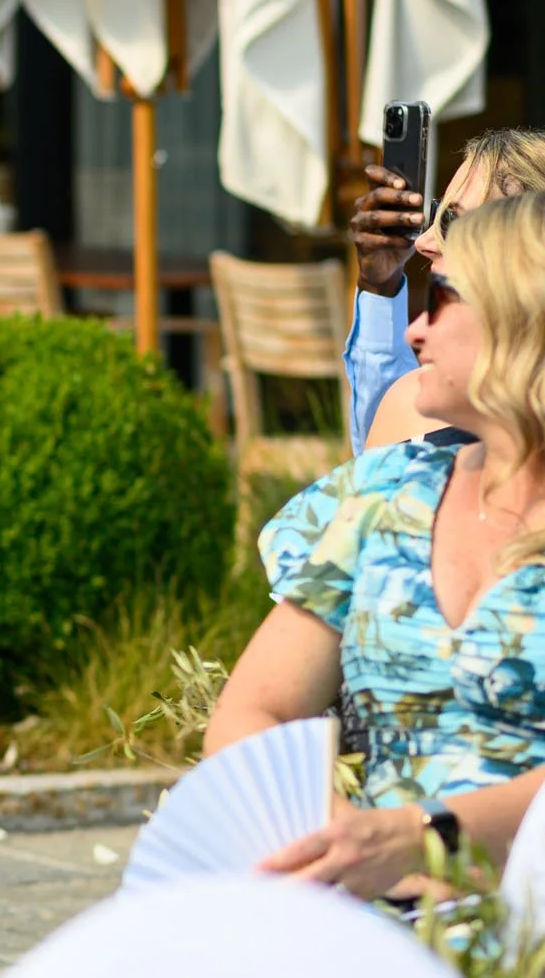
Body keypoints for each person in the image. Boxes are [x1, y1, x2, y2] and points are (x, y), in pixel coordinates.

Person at [206, 191, 545, 899]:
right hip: (378, 928)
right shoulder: (388, 491)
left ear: (520, 319)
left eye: (442, 299)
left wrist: (420, 838)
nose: (415, 329)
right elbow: (251, 708)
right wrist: (328, 830)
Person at [346, 128, 545, 453]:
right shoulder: (418, 400)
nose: (423, 243)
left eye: (452, 221)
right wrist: (379, 288)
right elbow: (374, 476)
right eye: (437, 213)